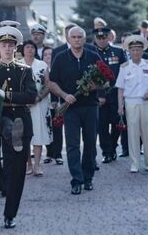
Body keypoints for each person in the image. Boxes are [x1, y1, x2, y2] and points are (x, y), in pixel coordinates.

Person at [0, 26, 37, 228]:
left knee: (17, 170)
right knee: (2, 158)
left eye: (11, 45)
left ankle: (10, 213)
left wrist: (7, 96)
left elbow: (31, 96)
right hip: (0, 121)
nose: (7, 49)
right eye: (4, 45)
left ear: (16, 48)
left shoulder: (25, 71)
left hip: (22, 120)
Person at [49, 26, 102, 194]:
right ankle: (76, 180)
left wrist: (96, 86)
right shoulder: (60, 58)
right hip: (70, 108)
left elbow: (106, 80)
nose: (77, 39)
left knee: (90, 144)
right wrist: (64, 95)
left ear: (84, 39)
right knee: (72, 145)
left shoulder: (93, 56)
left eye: (80, 37)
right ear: (69, 39)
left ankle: (88, 178)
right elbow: (52, 82)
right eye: (74, 37)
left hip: (90, 107)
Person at [115, 35, 148, 173]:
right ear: (129, 52)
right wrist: (120, 106)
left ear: (142, 51)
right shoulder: (125, 67)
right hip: (131, 103)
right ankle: (134, 163)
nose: (136, 53)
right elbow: (120, 88)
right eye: (133, 50)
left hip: (146, 103)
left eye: (138, 50)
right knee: (132, 134)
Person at [93, 27, 127, 164]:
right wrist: (100, 93)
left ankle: (113, 147)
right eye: (99, 38)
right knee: (102, 126)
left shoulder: (118, 52)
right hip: (98, 96)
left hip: (115, 94)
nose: (101, 40)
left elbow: (125, 73)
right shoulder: (91, 52)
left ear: (109, 38)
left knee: (116, 124)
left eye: (104, 38)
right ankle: (106, 152)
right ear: (95, 39)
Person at [21, 40, 51, 176]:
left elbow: (47, 84)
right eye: (27, 47)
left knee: (38, 133)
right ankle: (28, 164)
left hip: (39, 102)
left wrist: (38, 97)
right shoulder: (18, 64)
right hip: (23, 104)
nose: (30, 50)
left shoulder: (42, 65)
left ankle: (37, 164)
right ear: (23, 50)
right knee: (25, 135)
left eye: (32, 47)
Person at [42, 47, 63, 166]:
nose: (48, 57)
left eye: (50, 54)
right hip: (44, 102)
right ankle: (49, 152)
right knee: (46, 128)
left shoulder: (58, 68)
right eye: (45, 55)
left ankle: (58, 154)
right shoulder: (40, 68)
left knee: (57, 128)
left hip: (56, 102)